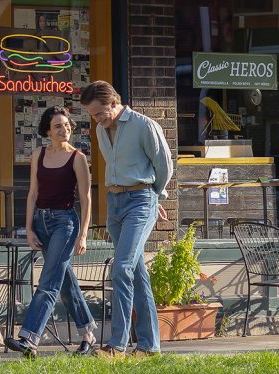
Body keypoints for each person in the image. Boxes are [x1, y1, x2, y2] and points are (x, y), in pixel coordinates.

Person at [80, 80, 173, 358]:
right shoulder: (100, 129)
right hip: (115, 204)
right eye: (93, 115)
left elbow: (164, 164)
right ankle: (149, 346)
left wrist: (154, 197)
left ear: (113, 102)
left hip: (141, 201)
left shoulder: (144, 126)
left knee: (121, 268)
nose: (97, 119)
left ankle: (117, 346)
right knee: (137, 273)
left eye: (100, 113)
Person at [5, 106, 98, 358]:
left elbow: (86, 197)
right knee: (64, 281)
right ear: (47, 130)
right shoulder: (38, 154)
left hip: (65, 224)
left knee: (48, 282)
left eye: (67, 125)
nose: (64, 129)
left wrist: (84, 234)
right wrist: (28, 228)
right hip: (41, 223)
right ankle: (88, 333)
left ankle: (29, 338)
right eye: (58, 126)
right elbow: (32, 193)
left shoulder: (78, 157)